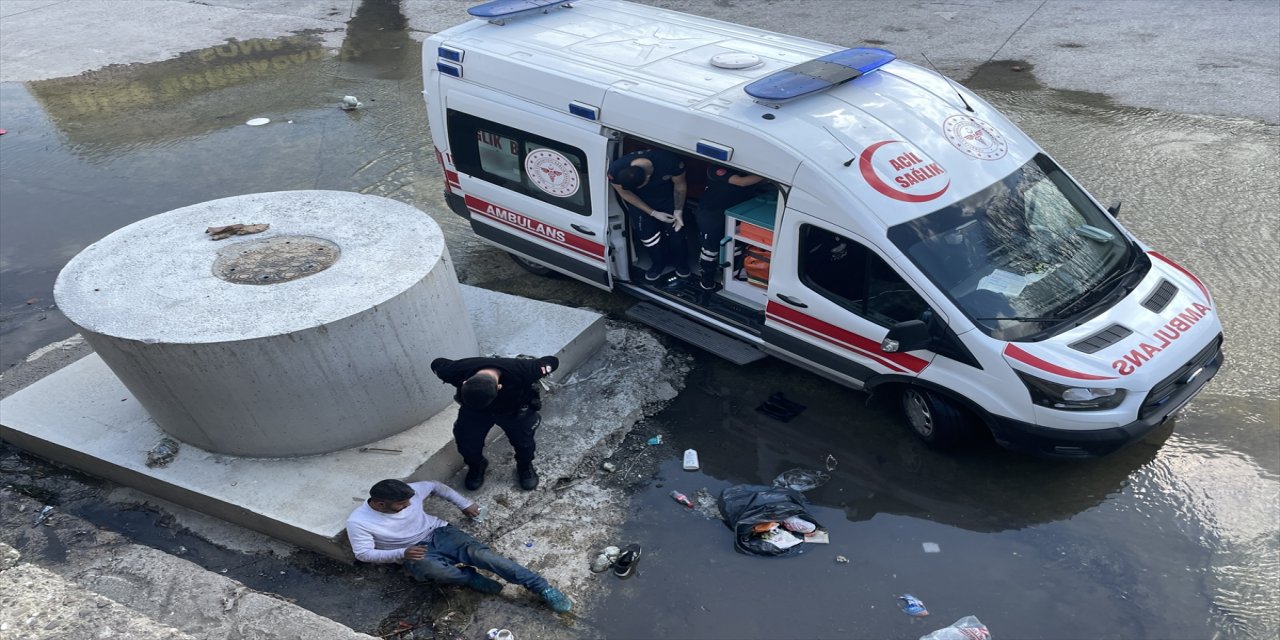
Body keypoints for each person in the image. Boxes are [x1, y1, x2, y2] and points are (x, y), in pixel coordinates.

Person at [347, 478, 572, 613]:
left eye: (408, 502)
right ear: (380, 504)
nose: (408, 506)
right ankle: (469, 578)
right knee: (440, 573)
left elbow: (435, 485)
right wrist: (402, 553)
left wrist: (464, 504)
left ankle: (541, 587)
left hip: (440, 532)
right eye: (401, 505)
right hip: (412, 551)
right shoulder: (359, 522)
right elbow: (363, 553)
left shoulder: (410, 493)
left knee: (486, 557)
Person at [430, 355, 558, 491]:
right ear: (465, 382)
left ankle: (524, 466)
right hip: (474, 411)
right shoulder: (454, 371)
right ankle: (477, 465)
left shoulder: (525, 370)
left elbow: (553, 361)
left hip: (514, 411)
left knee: (524, 443)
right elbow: (437, 363)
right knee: (466, 442)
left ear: (499, 387)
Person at [608, 148, 689, 282]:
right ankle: (658, 263)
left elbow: (680, 186)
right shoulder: (615, 170)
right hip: (640, 202)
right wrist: (653, 213)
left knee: (677, 234)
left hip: (667, 199)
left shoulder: (669, 161)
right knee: (648, 237)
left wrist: (678, 210)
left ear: (648, 177)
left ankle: (681, 264)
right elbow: (625, 193)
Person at [695, 166, 765, 290]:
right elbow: (742, 182)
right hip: (712, 213)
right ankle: (707, 278)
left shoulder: (748, 168)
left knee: (736, 246)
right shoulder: (716, 167)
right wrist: (768, 174)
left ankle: (729, 278)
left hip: (737, 211)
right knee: (710, 249)